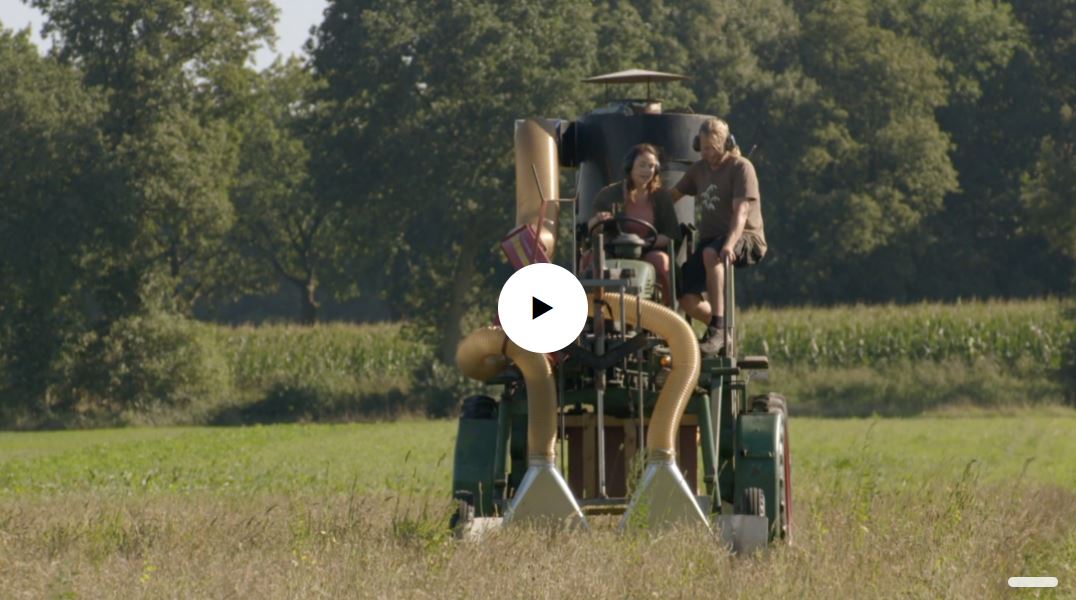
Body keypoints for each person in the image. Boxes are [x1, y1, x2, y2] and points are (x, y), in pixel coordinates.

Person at [666, 118, 767, 354]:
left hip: (745, 237)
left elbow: (741, 212)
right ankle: (721, 325)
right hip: (711, 241)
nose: (706, 153)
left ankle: (718, 331)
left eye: (711, 148)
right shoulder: (698, 170)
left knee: (713, 254)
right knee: (684, 294)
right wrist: (644, 199)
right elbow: (674, 195)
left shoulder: (741, 168)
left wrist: (729, 245)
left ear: (726, 144)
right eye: (701, 148)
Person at [585, 143, 682, 306]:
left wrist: (645, 243)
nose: (646, 170)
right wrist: (599, 220)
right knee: (590, 260)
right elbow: (593, 228)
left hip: (647, 251)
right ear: (630, 167)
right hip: (613, 251)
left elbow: (670, 235)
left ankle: (668, 312)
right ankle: (592, 311)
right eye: (642, 165)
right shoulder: (609, 194)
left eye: (651, 166)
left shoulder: (661, 198)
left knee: (663, 262)